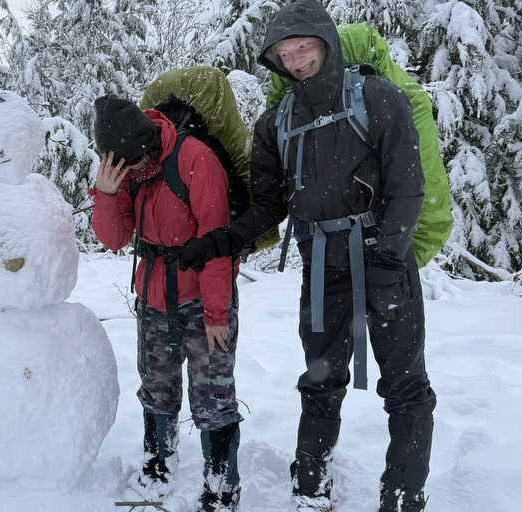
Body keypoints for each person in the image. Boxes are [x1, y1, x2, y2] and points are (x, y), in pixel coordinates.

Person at [172, 1, 436, 511]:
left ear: (326, 43)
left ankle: (403, 495)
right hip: (322, 269)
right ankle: (310, 487)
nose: (295, 60)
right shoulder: (277, 122)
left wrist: (387, 256)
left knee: (405, 385)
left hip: (384, 263)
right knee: (320, 381)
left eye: (303, 47)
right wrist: (227, 238)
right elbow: (269, 203)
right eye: (285, 54)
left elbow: (408, 188)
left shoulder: (378, 99)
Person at [90, 94, 243, 511]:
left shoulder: (195, 159)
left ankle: (222, 485)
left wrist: (216, 314)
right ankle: (158, 463)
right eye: (125, 163)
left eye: (139, 158)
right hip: (153, 295)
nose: (135, 168)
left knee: (213, 393)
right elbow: (115, 239)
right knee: (156, 387)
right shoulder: (122, 169)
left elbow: (217, 244)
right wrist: (105, 194)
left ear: (150, 137)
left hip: (203, 295)